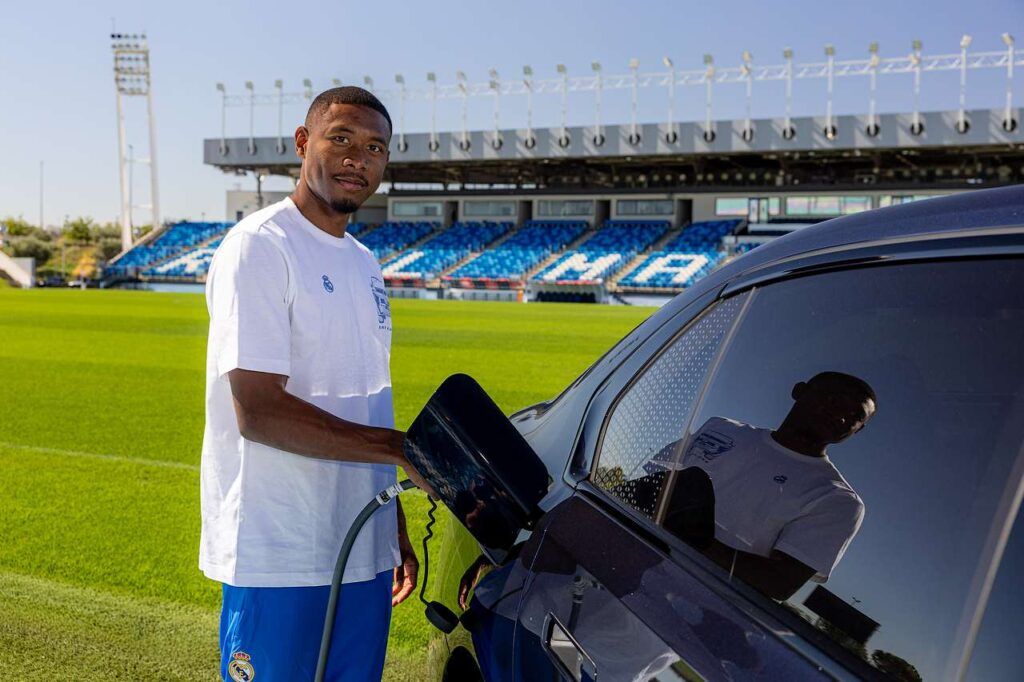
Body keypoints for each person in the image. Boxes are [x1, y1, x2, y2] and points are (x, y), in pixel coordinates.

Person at [199, 86, 434, 682]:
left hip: (361, 548)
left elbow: (365, 400)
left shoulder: (365, 263)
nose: (359, 157)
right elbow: (259, 411)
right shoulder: (260, 245)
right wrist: (400, 450)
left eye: (375, 147)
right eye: (342, 139)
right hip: (280, 550)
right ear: (304, 143)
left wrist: (390, 523)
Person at [663, 371, 876, 600]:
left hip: (695, 605)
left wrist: (693, 537)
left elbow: (779, 582)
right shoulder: (721, 429)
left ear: (859, 429)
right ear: (799, 391)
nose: (841, 416)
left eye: (855, 415)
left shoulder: (838, 499)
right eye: (834, 400)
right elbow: (655, 480)